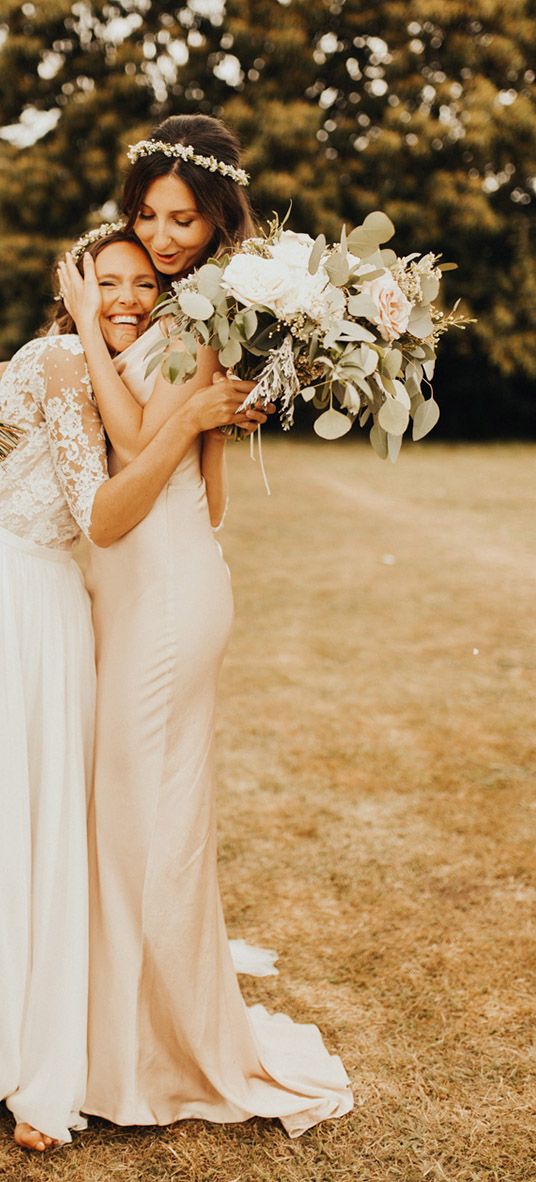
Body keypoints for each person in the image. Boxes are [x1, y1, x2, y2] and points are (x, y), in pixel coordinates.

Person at [60, 114, 353, 1138]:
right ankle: (116, 1037)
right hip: (143, 584)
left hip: (169, 590)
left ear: (218, 213)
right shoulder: (180, 311)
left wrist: (95, 336)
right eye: (147, 213)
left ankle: (155, 1059)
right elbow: (196, 474)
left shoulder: (202, 318)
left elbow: (142, 454)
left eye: (182, 217)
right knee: (134, 820)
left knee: (148, 825)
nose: (165, 233)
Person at [0, 228, 259, 1153]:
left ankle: (44, 1047)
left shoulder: (113, 375)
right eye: (102, 280)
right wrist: (188, 420)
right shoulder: (64, 359)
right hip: (25, 601)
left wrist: (212, 424)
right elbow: (106, 515)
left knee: (42, 825)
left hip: (52, 604)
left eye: (140, 284)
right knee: (33, 826)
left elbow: (182, 489)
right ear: (70, 285)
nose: (122, 298)